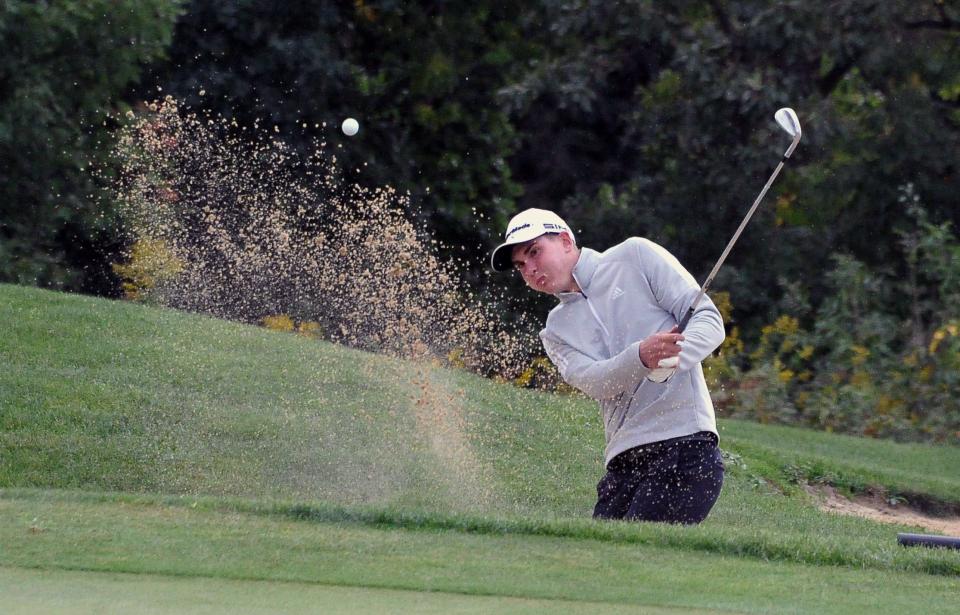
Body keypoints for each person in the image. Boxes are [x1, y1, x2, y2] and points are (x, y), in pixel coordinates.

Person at [491, 208, 726, 524]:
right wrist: (641, 358)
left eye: (534, 252)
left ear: (564, 241)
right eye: (521, 265)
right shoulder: (555, 332)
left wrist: (673, 358)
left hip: (685, 447)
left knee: (637, 561)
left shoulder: (635, 256)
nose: (530, 269)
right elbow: (594, 382)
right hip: (623, 463)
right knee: (599, 562)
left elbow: (709, 321)